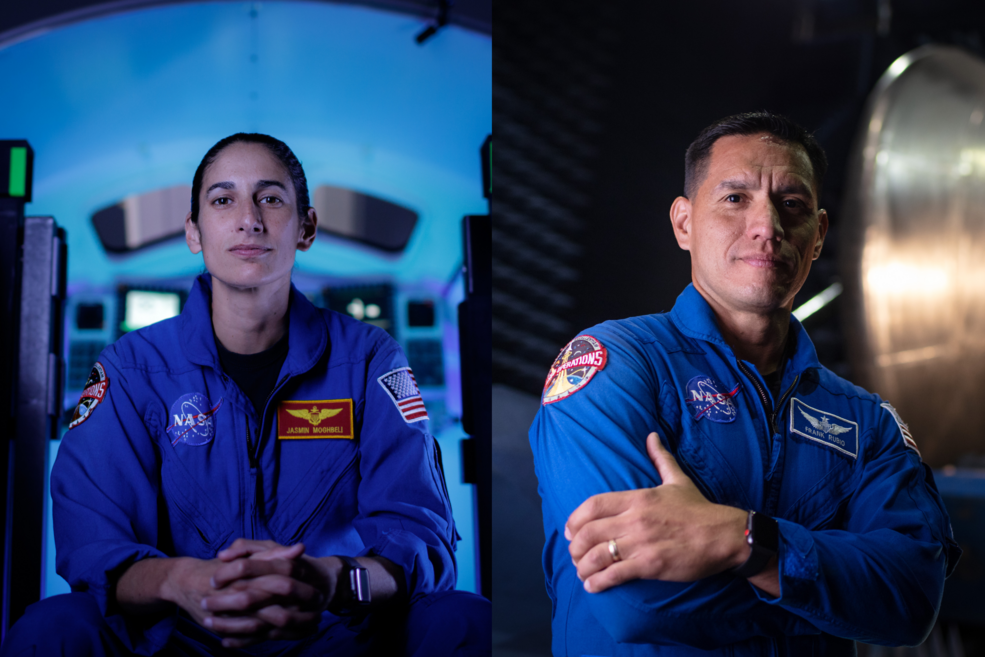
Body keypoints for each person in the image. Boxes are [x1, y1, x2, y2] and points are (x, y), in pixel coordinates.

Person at [1, 133, 490, 656]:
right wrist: (181, 581)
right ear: (194, 232)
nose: (249, 219)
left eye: (271, 198)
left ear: (306, 228)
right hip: (181, 640)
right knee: (49, 630)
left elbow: (418, 534)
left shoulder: (370, 359)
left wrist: (331, 580)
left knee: (466, 621)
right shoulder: (131, 370)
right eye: (222, 199)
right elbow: (95, 546)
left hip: (334, 635)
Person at [529, 112, 961, 656]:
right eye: (735, 199)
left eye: (793, 205)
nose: (767, 227)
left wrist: (745, 542)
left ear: (819, 235)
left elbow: (912, 601)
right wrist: (827, 598)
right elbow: (635, 599)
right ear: (684, 223)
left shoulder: (865, 420)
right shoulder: (614, 366)